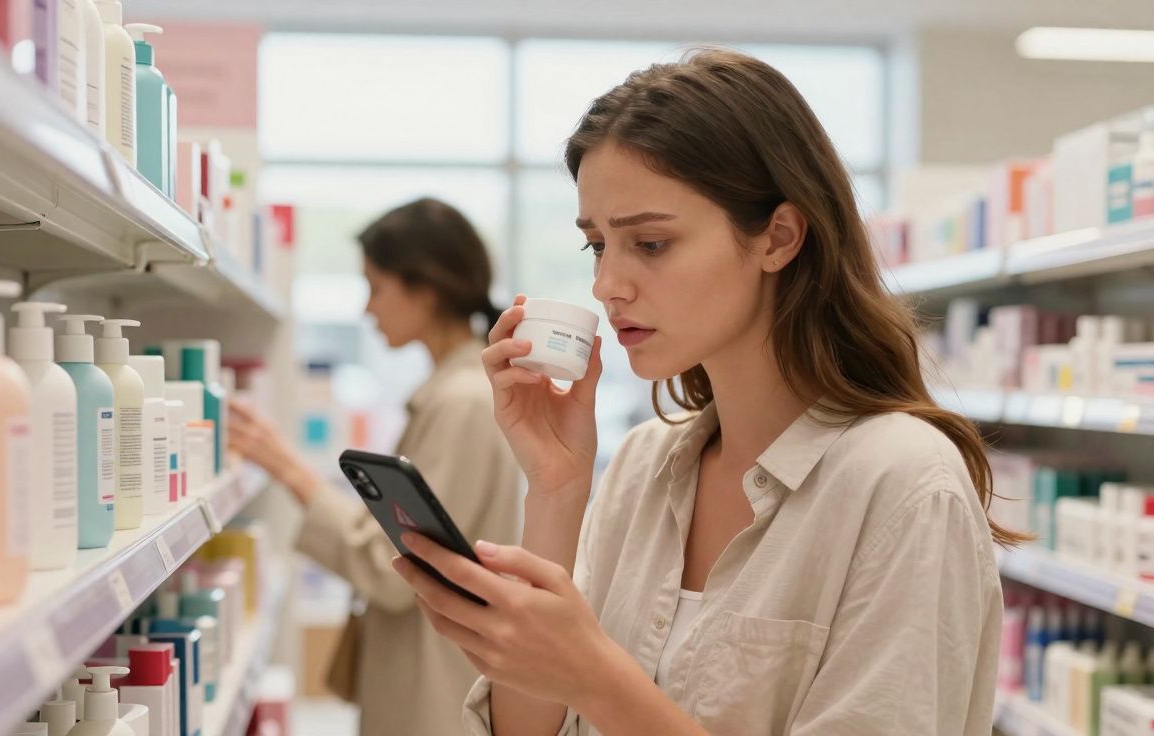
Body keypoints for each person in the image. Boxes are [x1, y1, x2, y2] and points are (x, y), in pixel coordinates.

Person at [391, 50, 1027, 735]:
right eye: (597, 245)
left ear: (779, 237)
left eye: (652, 243)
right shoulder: (643, 465)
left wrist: (598, 681)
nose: (608, 284)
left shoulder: (902, 485)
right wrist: (555, 489)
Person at [229, 197, 521, 736]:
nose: (368, 309)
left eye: (376, 287)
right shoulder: (451, 393)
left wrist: (287, 468)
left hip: (437, 689)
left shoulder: (463, 403)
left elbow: (396, 562)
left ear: (425, 288)